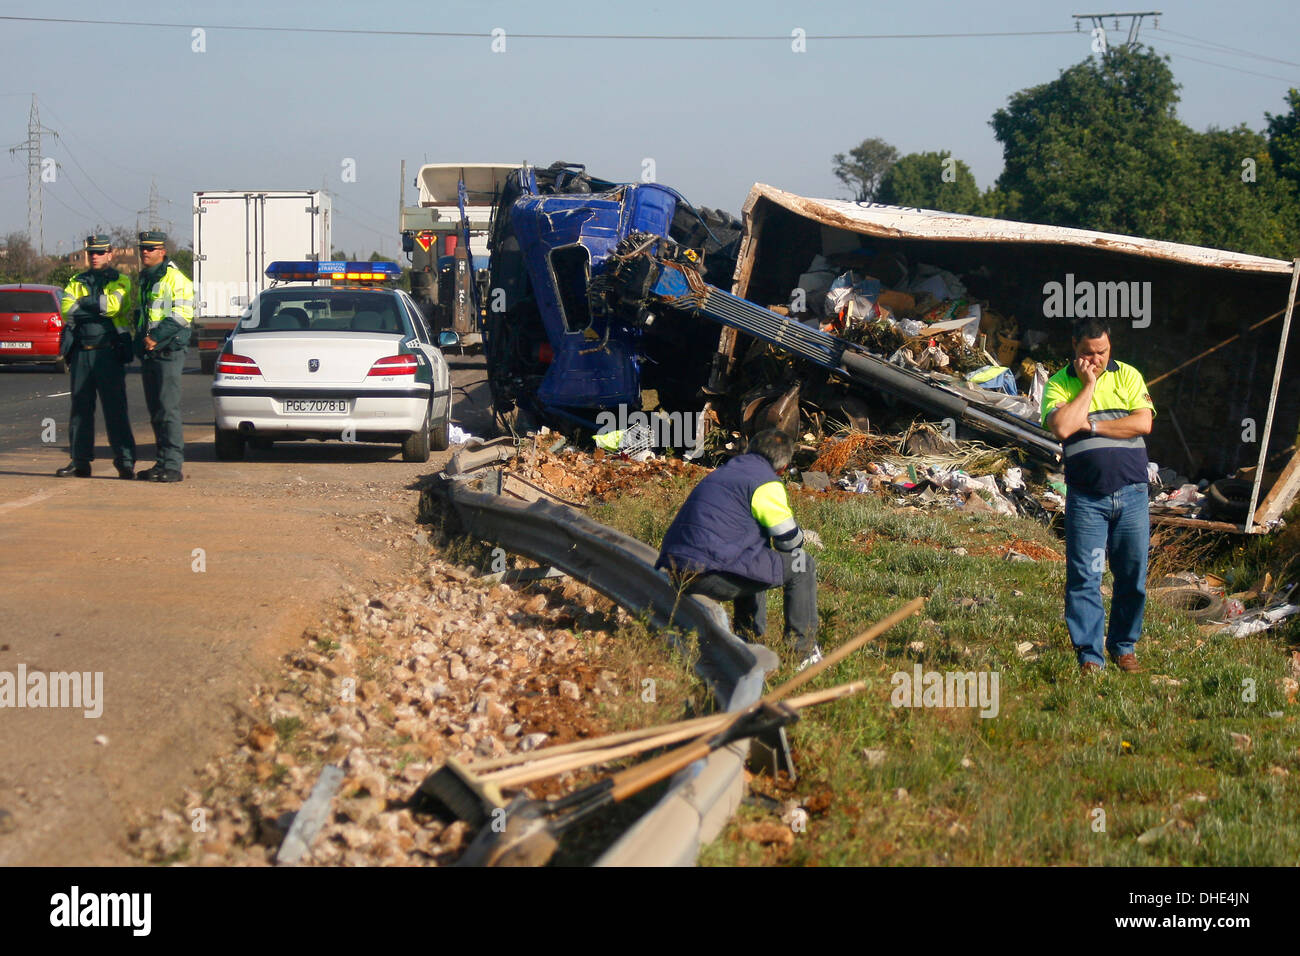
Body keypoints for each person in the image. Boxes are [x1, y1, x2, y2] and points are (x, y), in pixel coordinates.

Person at [1042, 318, 1155, 675]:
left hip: (1132, 494)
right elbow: (1061, 426)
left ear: (1111, 347)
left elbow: (1142, 423)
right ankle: (1090, 657)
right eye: (1087, 353)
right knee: (1086, 577)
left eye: (1102, 352)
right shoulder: (1060, 383)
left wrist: (1091, 425)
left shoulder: (1129, 376)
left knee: (1132, 576)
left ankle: (1124, 647)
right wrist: (1088, 385)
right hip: (1087, 499)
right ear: (1074, 346)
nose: (1095, 359)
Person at [656, 428, 822, 669]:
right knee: (802, 564)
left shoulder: (724, 472)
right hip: (711, 571)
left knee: (756, 559)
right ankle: (803, 653)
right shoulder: (765, 483)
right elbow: (788, 542)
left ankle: (748, 640)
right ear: (783, 467)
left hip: (677, 565)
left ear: (750, 448)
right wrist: (799, 537)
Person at [56, 234, 136, 479]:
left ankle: (125, 462)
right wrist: (93, 307)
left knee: (115, 411)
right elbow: (66, 310)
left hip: (108, 352)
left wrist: (83, 304)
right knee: (80, 410)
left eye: (100, 252)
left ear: (110, 254)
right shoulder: (77, 280)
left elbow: (113, 306)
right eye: (92, 253)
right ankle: (80, 461)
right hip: (81, 352)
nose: (95, 256)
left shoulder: (121, 280)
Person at [133, 231, 194, 483]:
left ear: (163, 251)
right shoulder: (146, 279)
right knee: (156, 410)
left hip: (167, 350)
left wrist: (155, 337)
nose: (145, 252)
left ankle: (172, 465)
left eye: (150, 248)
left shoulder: (176, 279)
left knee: (168, 409)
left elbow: (182, 315)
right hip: (150, 353)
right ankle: (161, 462)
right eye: (142, 249)